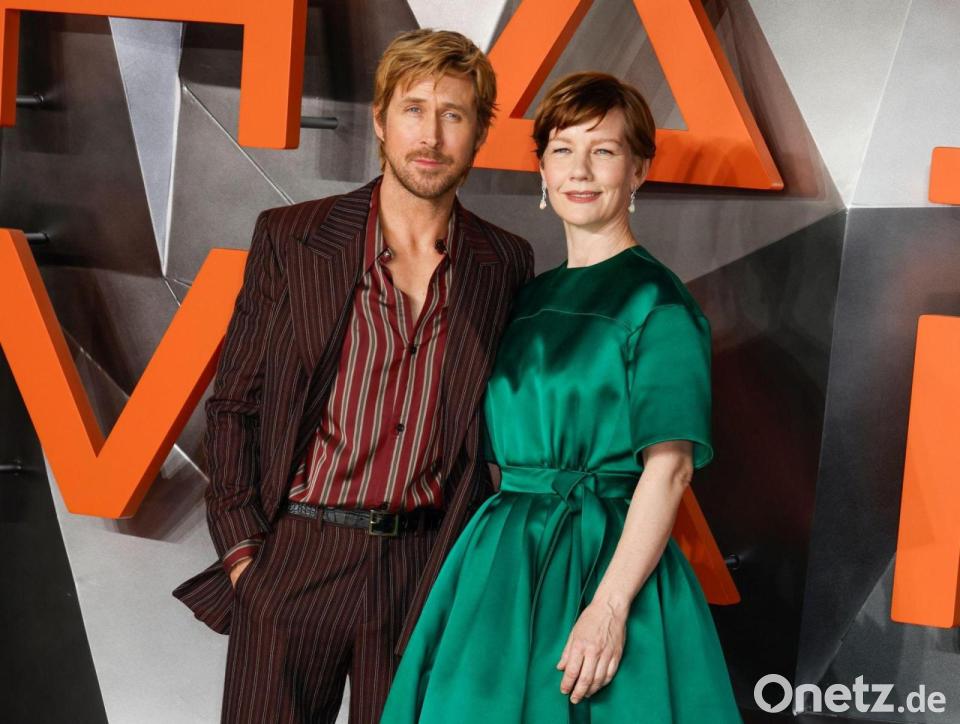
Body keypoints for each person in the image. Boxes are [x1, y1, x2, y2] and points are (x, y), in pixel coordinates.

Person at [172, 29, 533, 724]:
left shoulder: (504, 262)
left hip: (424, 565)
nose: (431, 135)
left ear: (480, 134)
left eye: (454, 114)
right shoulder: (293, 237)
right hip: (298, 553)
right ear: (380, 121)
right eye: (414, 109)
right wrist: (246, 556)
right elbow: (236, 404)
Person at [380, 71, 742, 723]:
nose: (580, 170)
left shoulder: (659, 303)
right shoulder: (527, 297)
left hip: (604, 561)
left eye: (604, 150)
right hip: (503, 559)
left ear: (638, 170)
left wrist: (608, 608)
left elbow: (671, 469)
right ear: (542, 170)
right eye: (563, 150)